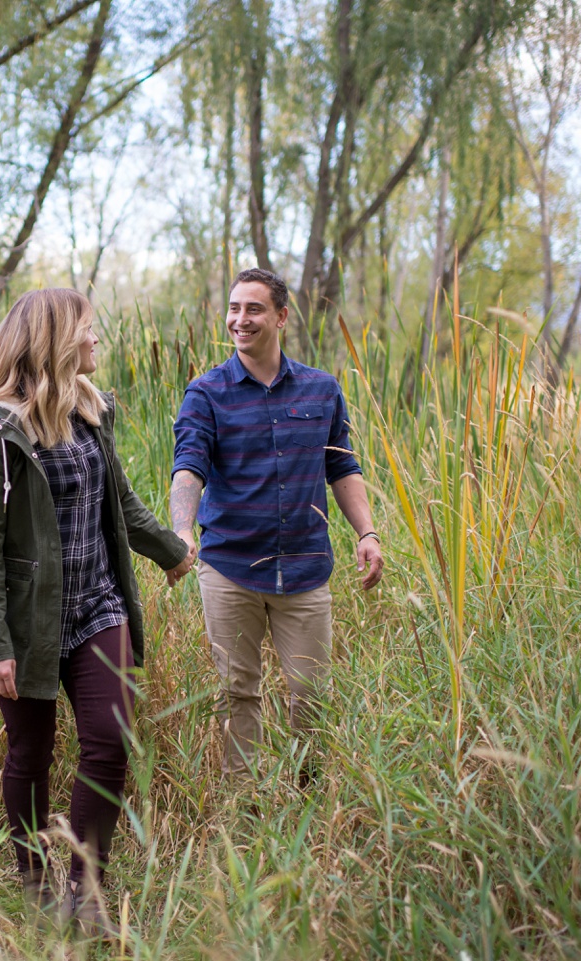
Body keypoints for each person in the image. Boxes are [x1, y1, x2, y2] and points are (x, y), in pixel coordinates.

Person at [0, 287, 197, 934]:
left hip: (97, 606)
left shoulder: (92, 412)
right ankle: (33, 877)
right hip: (26, 623)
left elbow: (119, 502)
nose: (98, 340)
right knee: (30, 750)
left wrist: (173, 551)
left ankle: (84, 887)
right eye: (90, 330)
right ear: (57, 338)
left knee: (110, 741)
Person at [168, 268, 383, 785]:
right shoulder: (206, 393)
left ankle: (308, 801)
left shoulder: (321, 390)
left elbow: (342, 466)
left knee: (311, 694)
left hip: (306, 569)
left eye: (254, 309)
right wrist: (182, 529)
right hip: (229, 567)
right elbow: (188, 466)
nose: (240, 320)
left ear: (281, 317)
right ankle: (246, 810)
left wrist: (367, 533)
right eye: (235, 308)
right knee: (238, 692)